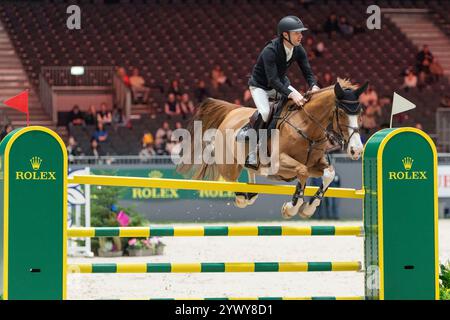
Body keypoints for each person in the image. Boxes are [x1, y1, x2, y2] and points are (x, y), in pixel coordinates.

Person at [237, 15, 320, 169]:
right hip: (261, 86)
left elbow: (307, 72)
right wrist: (291, 93)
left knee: (302, 105)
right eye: (297, 33)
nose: (300, 36)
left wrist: (314, 85)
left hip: (281, 84)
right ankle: (254, 151)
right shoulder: (270, 51)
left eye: (301, 32)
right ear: (285, 34)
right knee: (266, 112)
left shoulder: (298, 50)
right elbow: (272, 80)